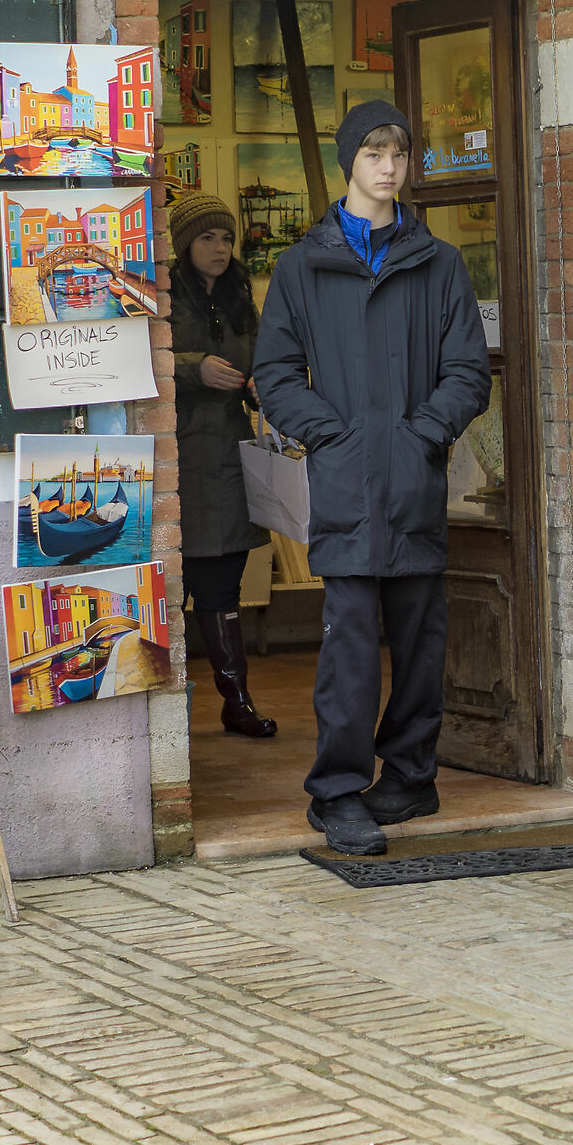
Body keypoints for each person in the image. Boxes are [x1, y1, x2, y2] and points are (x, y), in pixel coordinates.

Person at [253, 101, 493, 855]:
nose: (389, 168)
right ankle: (336, 792)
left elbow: (467, 370)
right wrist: (338, 434)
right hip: (348, 481)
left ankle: (412, 776)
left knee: (423, 637)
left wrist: (421, 433)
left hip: (416, 479)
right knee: (350, 642)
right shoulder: (302, 266)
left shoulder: (439, 262)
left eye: (398, 154)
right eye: (373, 154)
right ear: (348, 162)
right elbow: (276, 373)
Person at [166, 190, 277, 738]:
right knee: (168, 587)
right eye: (207, 237)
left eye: (227, 237)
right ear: (185, 244)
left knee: (222, 589)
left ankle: (237, 702)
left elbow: (261, 361)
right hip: (177, 461)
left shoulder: (239, 294)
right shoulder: (162, 292)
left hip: (230, 459)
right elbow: (141, 358)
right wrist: (193, 370)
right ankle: (164, 711)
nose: (220, 247)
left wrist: (260, 387)